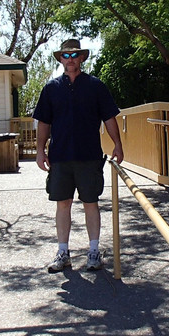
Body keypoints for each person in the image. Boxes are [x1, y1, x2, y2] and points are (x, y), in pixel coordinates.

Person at [33, 38, 124, 273]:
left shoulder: (95, 86)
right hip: (60, 157)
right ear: (60, 59)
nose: (70, 60)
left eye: (75, 55)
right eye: (66, 56)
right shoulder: (51, 88)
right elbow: (44, 122)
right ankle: (63, 252)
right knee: (63, 204)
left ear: (82, 58)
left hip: (89, 156)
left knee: (90, 203)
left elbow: (109, 118)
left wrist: (117, 144)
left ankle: (93, 251)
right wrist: (40, 151)